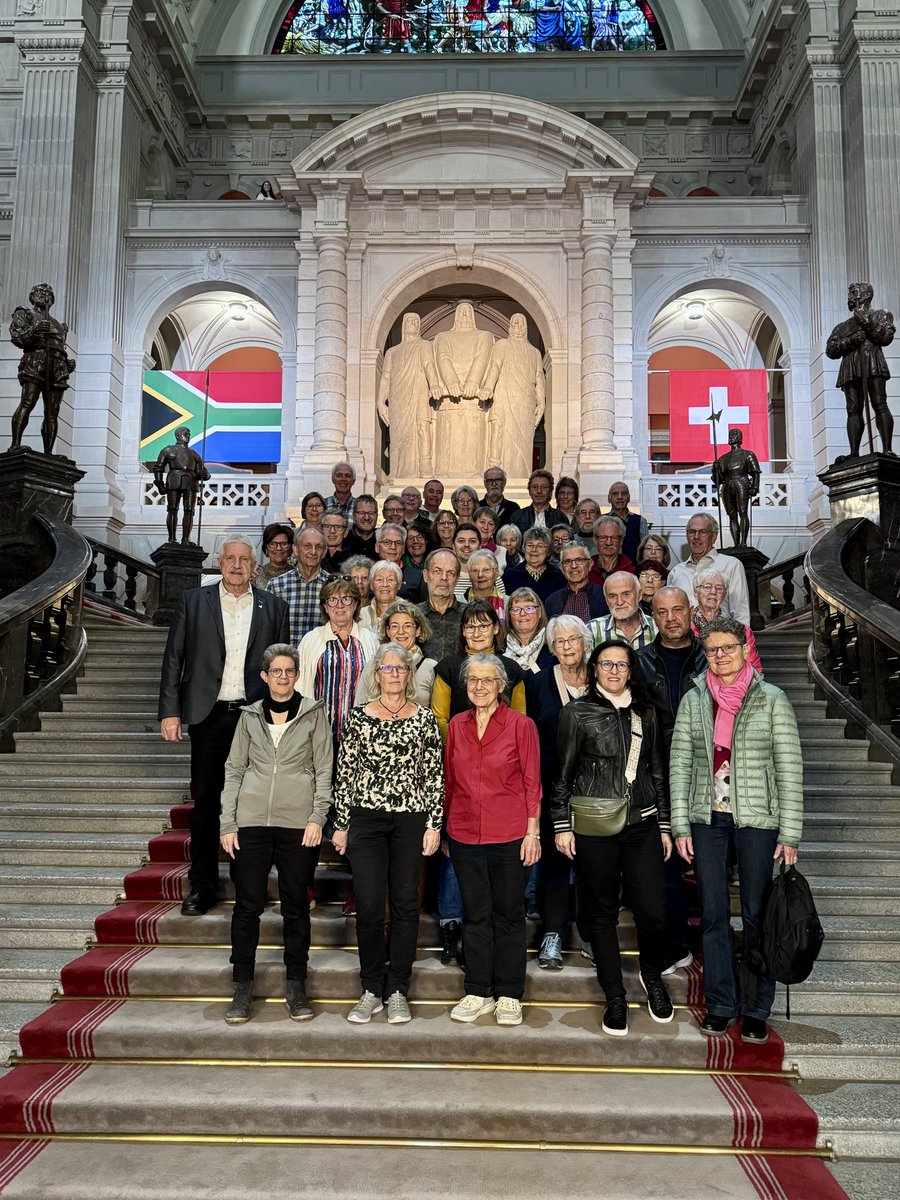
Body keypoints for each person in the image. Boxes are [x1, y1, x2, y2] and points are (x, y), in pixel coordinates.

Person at [670, 616, 803, 1044]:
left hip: (758, 820)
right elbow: (680, 763)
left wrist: (790, 832)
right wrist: (679, 822)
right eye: (712, 650)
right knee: (712, 914)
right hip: (706, 818)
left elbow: (789, 767)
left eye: (728, 648)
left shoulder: (771, 699)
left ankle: (757, 1009)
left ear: (745, 650)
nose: (720, 656)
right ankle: (722, 1004)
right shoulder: (694, 698)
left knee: (757, 914)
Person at [158, 536, 290, 916]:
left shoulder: (273, 608)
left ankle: (247, 886)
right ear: (219, 562)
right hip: (208, 715)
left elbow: (280, 670)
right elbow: (174, 659)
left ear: (254, 565)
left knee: (250, 804)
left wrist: (280, 717)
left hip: (254, 718)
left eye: (244, 560)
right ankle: (202, 885)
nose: (236, 565)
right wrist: (170, 711)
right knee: (206, 805)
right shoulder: (194, 601)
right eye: (230, 558)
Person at [552, 641, 674, 1037]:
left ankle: (652, 977)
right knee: (600, 913)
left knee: (653, 912)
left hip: (642, 824)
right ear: (595, 668)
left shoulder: (647, 713)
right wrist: (560, 824)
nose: (614, 670)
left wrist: (666, 825)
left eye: (622, 664)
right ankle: (615, 996)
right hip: (594, 826)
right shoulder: (577, 713)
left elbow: (659, 771)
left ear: (631, 669)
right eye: (607, 663)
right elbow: (563, 775)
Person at [219, 643, 332, 1025]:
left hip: (298, 824)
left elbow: (323, 769)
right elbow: (234, 770)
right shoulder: (249, 716)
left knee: (296, 906)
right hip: (250, 823)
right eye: (276, 672)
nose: (283, 678)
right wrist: (227, 822)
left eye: (289, 671)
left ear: (296, 675)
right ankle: (241, 985)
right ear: (265, 677)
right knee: (247, 908)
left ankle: (296, 984)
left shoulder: (314, 714)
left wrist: (318, 817)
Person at [333, 642, 444, 1024]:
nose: (394, 674)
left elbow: (433, 775)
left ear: (409, 675)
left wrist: (434, 823)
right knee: (367, 905)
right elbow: (345, 772)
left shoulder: (425, 718)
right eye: (387, 668)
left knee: (404, 905)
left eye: (401, 669)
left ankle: (397, 988)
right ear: (376, 674)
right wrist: (341, 823)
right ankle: (370, 988)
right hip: (366, 820)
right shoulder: (359, 717)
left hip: (410, 820)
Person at [445, 653, 541, 1027]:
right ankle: (477, 990)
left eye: (487, 680)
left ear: (501, 686)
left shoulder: (521, 725)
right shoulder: (456, 725)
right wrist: (446, 826)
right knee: (475, 915)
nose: (480, 687)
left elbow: (533, 782)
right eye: (473, 681)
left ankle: (509, 994)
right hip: (465, 832)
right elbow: (450, 781)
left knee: (509, 915)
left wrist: (532, 832)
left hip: (511, 834)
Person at [637, 586, 707, 975]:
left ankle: (712, 946)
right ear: (654, 615)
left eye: (678, 610)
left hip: (706, 771)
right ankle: (675, 945)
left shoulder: (709, 656)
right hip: (658, 774)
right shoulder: (641, 660)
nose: (671, 618)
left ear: (690, 610)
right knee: (663, 867)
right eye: (662, 612)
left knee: (708, 864)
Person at [524, 615, 593, 969]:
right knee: (554, 859)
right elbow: (529, 738)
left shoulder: (601, 679)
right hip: (553, 784)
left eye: (573, 640)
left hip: (599, 787)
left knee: (594, 861)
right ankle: (551, 934)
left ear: (585, 642)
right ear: (552, 648)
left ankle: (592, 933)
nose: (567, 647)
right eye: (559, 642)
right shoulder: (537, 684)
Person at [296, 578, 379, 739]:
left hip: (361, 733)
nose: (340, 605)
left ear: (355, 604)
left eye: (346, 599)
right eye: (332, 600)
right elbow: (299, 688)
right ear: (325, 607)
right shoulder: (311, 639)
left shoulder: (371, 640)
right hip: (319, 733)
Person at [825, 280, 896, 460]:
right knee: (853, 409)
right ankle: (854, 452)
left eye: (854, 293)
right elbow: (831, 350)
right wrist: (849, 341)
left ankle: (887, 448)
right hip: (850, 365)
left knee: (879, 403)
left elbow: (885, 336)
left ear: (866, 295)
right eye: (850, 294)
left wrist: (866, 322)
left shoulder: (881, 315)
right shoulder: (842, 326)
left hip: (872, 361)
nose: (850, 297)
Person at [667, 513, 750, 626]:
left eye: (703, 532)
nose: (696, 536)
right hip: (685, 640)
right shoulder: (676, 572)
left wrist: (743, 641)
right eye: (692, 532)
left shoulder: (731, 565)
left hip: (720, 638)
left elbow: (741, 612)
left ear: (714, 536)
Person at [355, 600, 437, 707]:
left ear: (418, 630)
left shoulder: (431, 667)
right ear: (387, 632)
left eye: (407, 626)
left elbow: (438, 716)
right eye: (394, 626)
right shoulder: (372, 666)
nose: (401, 632)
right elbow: (359, 709)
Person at [266, 526, 330, 644]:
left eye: (318, 547)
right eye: (307, 546)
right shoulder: (276, 586)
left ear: (324, 552)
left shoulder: (333, 585)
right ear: (295, 549)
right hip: (286, 659)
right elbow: (268, 630)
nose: (313, 552)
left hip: (322, 660)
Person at [691, 568, 763, 673]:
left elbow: (754, 670)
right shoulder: (685, 630)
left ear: (724, 595)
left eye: (719, 588)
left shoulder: (742, 631)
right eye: (707, 587)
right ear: (695, 593)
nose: (713, 592)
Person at [152, 426, 209, 545]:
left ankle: (186, 539)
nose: (187, 435)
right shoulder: (168, 450)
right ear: (177, 436)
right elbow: (158, 468)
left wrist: (204, 474)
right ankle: (172, 538)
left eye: (188, 433)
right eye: (184, 433)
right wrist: (159, 484)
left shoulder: (194, 454)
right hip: (174, 480)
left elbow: (202, 472)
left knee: (189, 510)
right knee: (172, 509)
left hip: (191, 482)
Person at [419, 548, 465, 662]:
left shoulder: (469, 615)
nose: (444, 578)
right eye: (437, 571)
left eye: (450, 573)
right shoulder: (413, 615)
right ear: (425, 575)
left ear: (457, 579)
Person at [591, 572, 657, 650]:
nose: (619, 602)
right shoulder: (592, 629)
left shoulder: (657, 626)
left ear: (639, 595)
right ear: (606, 600)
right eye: (612, 596)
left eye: (626, 594)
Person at [544, 542, 608, 621]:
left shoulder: (605, 596)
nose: (573, 566)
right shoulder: (552, 601)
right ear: (561, 568)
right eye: (567, 561)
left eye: (579, 560)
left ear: (590, 564)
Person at [502, 527, 564, 602]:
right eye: (530, 545)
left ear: (548, 552)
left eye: (540, 546)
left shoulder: (559, 576)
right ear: (524, 548)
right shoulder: (510, 575)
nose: (534, 550)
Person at [504, 588, 554, 674]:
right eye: (516, 609)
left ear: (540, 613)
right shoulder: (500, 647)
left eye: (529, 608)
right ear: (509, 615)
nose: (522, 614)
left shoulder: (553, 646)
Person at [377, 521, 424, 600]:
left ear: (403, 550)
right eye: (387, 542)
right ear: (377, 547)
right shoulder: (367, 574)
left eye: (398, 543)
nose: (393, 547)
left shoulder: (418, 576)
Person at [513, 468, 569, 533]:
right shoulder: (518, 516)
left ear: (550, 491)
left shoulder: (560, 517)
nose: (539, 491)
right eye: (535, 487)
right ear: (529, 491)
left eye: (544, 487)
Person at [607, 481, 649, 564]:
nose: (620, 497)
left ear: (629, 497)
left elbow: (645, 549)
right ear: (609, 498)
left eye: (623, 494)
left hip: (634, 570)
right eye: (615, 494)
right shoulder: (603, 520)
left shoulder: (640, 521)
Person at [589, 515, 636, 588]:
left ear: (621, 541)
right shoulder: (586, 570)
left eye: (614, 538)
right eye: (603, 537)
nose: (608, 542)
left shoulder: (632, 572)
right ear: (595, 540)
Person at [358, 560, 403, 632]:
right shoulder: (360, 615)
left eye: (390, 580)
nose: (385, 584)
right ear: (372, 585)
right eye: (379, 580)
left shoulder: (410, 614)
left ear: (399, 585)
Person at [466, 549, 506, 616]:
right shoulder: (459, 601)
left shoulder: (509, 603)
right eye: (475, 571)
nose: (480, 575)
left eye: (486, 570)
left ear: (496, 573)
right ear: (469, 575)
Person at [342, 495, 380, 560]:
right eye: (362, 513)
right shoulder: (343, 540)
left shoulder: (382, 540)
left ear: (376, 516)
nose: (366, 517)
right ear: (354, 516)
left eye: (371, 513)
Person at [452, 522, 482, 600]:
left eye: (472, 541)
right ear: (453, 546)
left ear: (480, 547)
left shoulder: (491, 577)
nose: (466, 545)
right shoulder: (445, 576)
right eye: (461, 541)